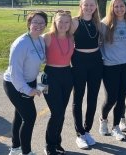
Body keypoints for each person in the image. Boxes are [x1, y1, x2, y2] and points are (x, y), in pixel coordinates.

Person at [4, 11, 48, 155]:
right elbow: (15, 74)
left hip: (30, 81)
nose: (38, 25)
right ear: (29, 23)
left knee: (20, 116)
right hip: (15, 84)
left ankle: (15, 148)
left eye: (42, 22)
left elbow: (44, 59)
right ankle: (26, 152)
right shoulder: (20, 44)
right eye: (35, 22)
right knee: (29, 117)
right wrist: (28, 90)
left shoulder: (40, 40)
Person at [98, 0, 126, 141]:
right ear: (112, 8)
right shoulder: (104, 24)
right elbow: (98, 44)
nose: (119, 9)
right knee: (111, 99)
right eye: (116, 6)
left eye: (122, 6)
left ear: (125, 7)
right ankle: (103, 119)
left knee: (121, 99)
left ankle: (115, 127)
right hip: (109, 66)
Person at [70, 0, 103, 149]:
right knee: (79, 97)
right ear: (81, 6)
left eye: (92, 5)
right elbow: (61, 36)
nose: (89, 7)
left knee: (93, 97)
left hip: (96, 61)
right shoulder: (75, 22)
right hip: (79, 60)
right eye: (86, 5)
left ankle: (87, 130)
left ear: (95, 6)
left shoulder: (98, 23)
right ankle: (79, 133)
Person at [43, 10, 74, 155]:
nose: (63, 24)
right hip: (50, 76)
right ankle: (49, 145)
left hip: (67, 75)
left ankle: (57, 143)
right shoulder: (47, 37)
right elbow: (36, 57)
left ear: (70, 24)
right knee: (56, 113)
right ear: (54, 21)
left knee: (61, 112)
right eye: (60, 21)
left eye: (66, 22)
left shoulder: (72, 38)